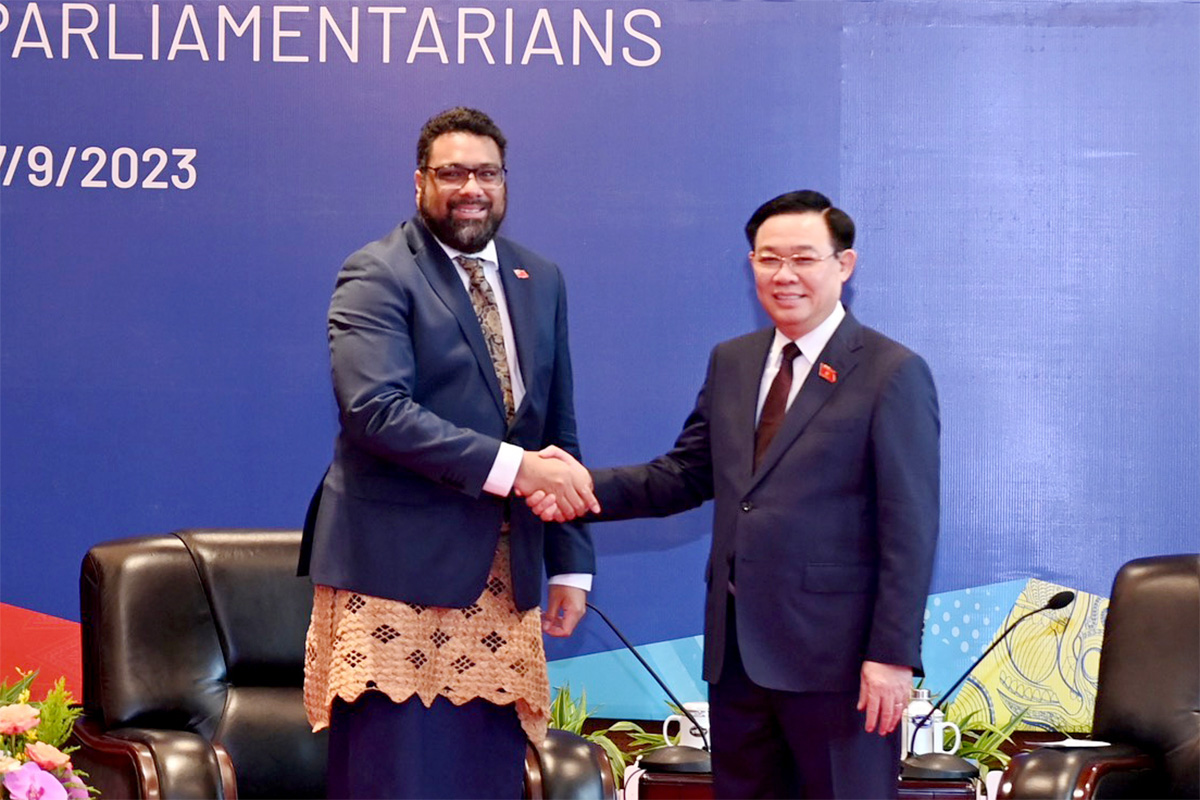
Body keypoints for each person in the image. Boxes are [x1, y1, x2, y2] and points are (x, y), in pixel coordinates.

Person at [532, 190, 939, 798]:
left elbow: (910, 527)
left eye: (803, 259)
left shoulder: (890, 372)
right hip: (738, 662)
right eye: (768, 259)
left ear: (843, 266)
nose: (784, 275)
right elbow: (685, 475)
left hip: (840, 665)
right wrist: (577, 486)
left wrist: (892, 656)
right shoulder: (734, 361)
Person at [298, 106, 599, 799]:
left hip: (502, 580)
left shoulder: (539, 277)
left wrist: (571, 564)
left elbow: (557, 429)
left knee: (483, 780)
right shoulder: (377, 272)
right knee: (398, 779)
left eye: (487, 173)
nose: (472, 187)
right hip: (394, 577)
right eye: (452, 173)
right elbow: (376, 411)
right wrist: (518, 468)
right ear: (419, 183)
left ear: (505, 181)